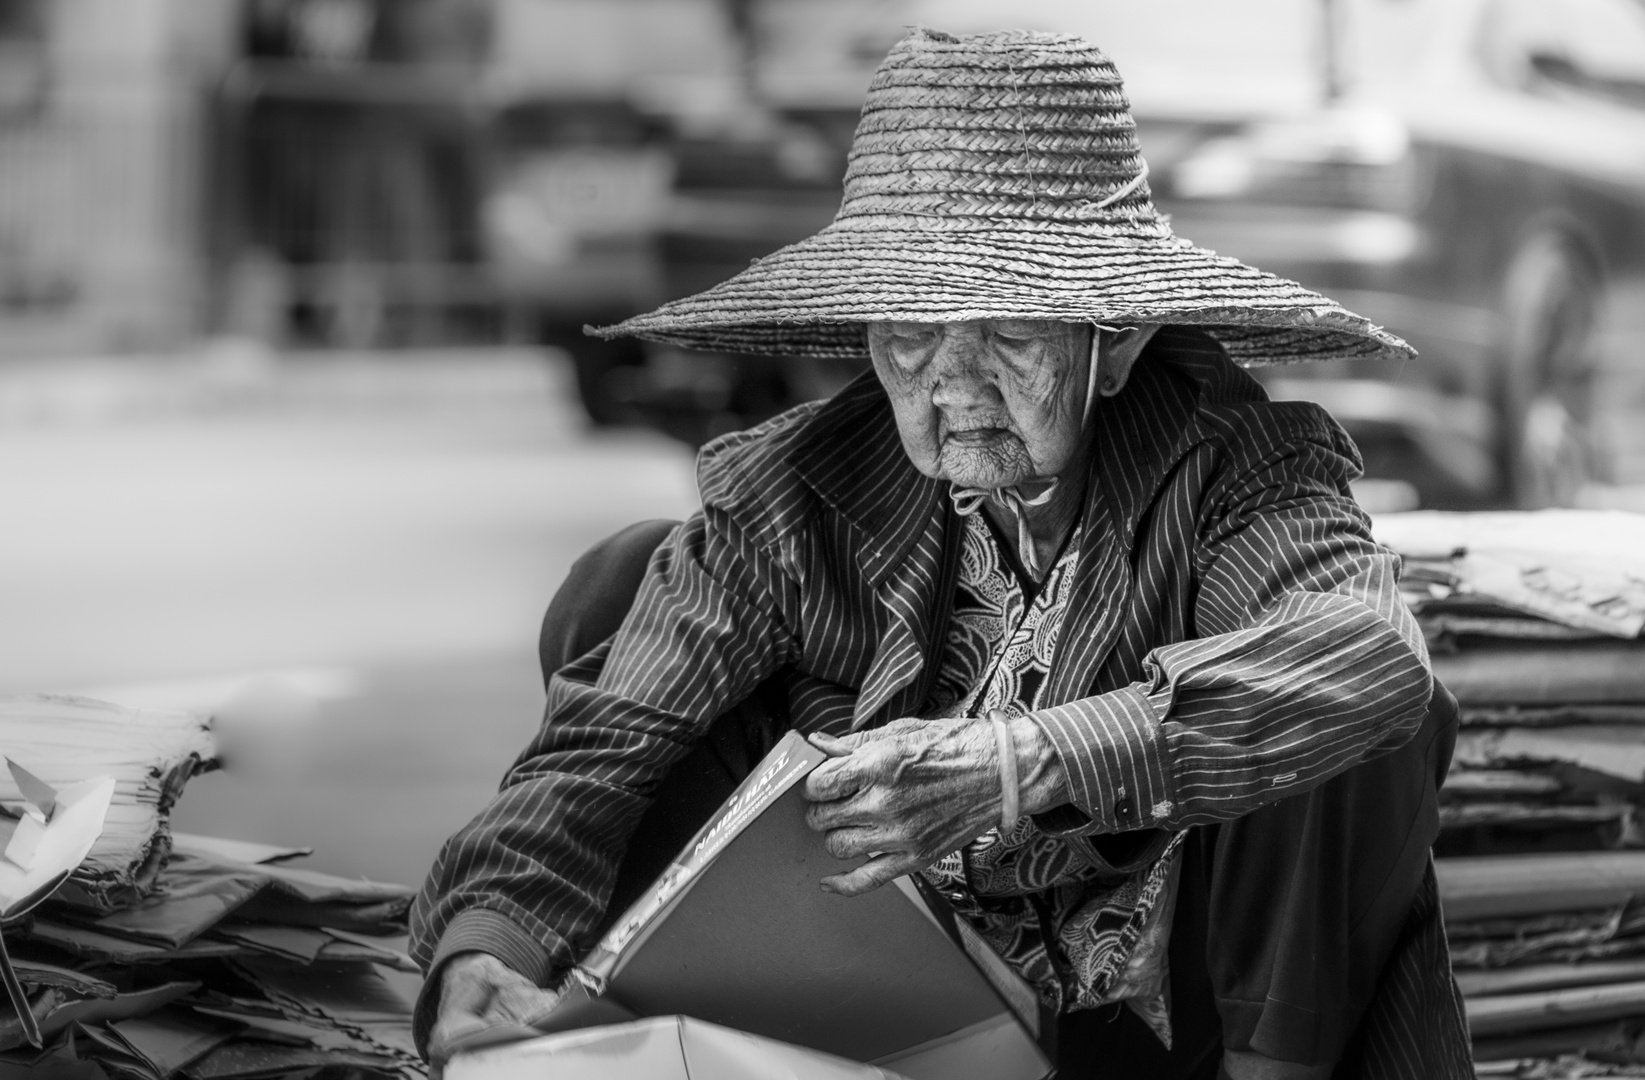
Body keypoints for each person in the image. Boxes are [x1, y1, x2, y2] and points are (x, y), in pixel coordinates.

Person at [409, 28, 1472, 1080]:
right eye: (909, 335)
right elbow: (607, 740)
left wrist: (1024, 762)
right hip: (900, 1013)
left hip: (1166, 1030)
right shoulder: (802, 490)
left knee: (1348, 699)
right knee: (618, 587)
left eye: (1008, 331)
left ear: (1120, 339)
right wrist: (484, 948)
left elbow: (1365, 657)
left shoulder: (1236, 465)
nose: (951, 385)